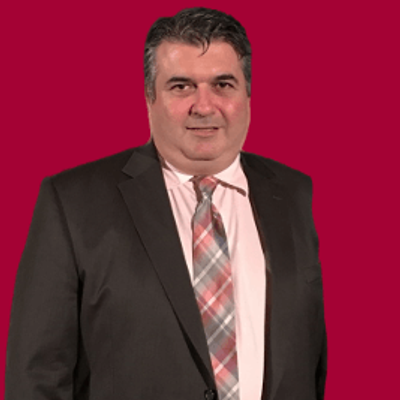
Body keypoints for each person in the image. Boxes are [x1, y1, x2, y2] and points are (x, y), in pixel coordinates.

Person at [5, 7, 327, 400]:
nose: (204, 106)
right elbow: (35, 377)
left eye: (223, 84)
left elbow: (309, 360)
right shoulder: (73, 202)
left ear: (247, 93)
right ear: (149, 96)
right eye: (181, 86)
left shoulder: (294, 194)